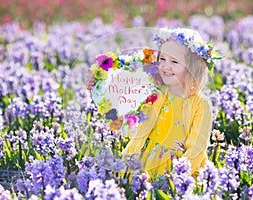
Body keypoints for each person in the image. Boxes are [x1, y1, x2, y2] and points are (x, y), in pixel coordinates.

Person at [86, 27, 218, 179]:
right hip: (145, 162)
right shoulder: (155, 90)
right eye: (162, 59)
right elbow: (122, 85)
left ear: (193, 68)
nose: (166, 66)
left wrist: (179, 176)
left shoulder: (201, 104)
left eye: (175, 61)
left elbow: (197, 147)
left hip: (178, 169)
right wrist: (97, 79)